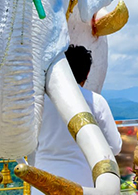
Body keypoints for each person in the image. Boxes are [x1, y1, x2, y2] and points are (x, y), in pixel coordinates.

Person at [33, 45, 122, 190]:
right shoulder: (95, 101)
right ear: (87, 74)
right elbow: (115, 146)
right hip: (81, 183)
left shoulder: (39, 102)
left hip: (42, 181)